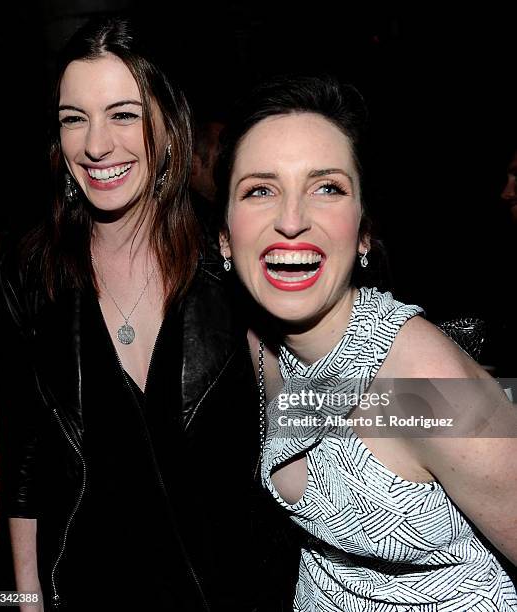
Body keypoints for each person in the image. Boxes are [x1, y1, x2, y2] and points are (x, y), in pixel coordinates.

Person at [0, 17, 293, 611]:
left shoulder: (230, 264)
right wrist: (22, 602)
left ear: (167, 121)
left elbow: (310, 408)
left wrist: (467, 414)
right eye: (73, 119)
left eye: (123, 114)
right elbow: (25, 459)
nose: (96, 144)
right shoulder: (33, 275)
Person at [216, 75, 517, 611]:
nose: (291, 220)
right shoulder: (262, 346)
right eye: (261, 189)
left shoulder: (419, 386)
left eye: (327, 187)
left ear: (363, 234)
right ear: (224, 237)